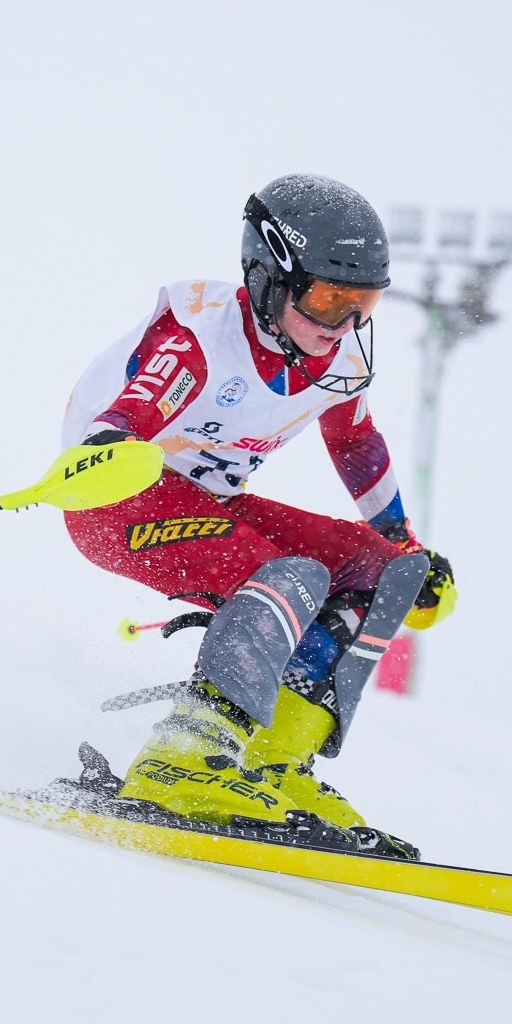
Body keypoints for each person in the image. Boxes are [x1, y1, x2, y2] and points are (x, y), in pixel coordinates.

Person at [60, 174, 456, 857]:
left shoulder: (340, 353)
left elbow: (354, 438)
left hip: (209, 504)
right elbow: (138, 407)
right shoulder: (200, 334)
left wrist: (399, 538)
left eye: (363, 302)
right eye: (330, 299)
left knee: (383, 571)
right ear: (270, 276)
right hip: (116, 501)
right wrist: (115, 438)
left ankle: (271, 763)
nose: (345, 323)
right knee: (292, 575)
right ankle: (184, 759)